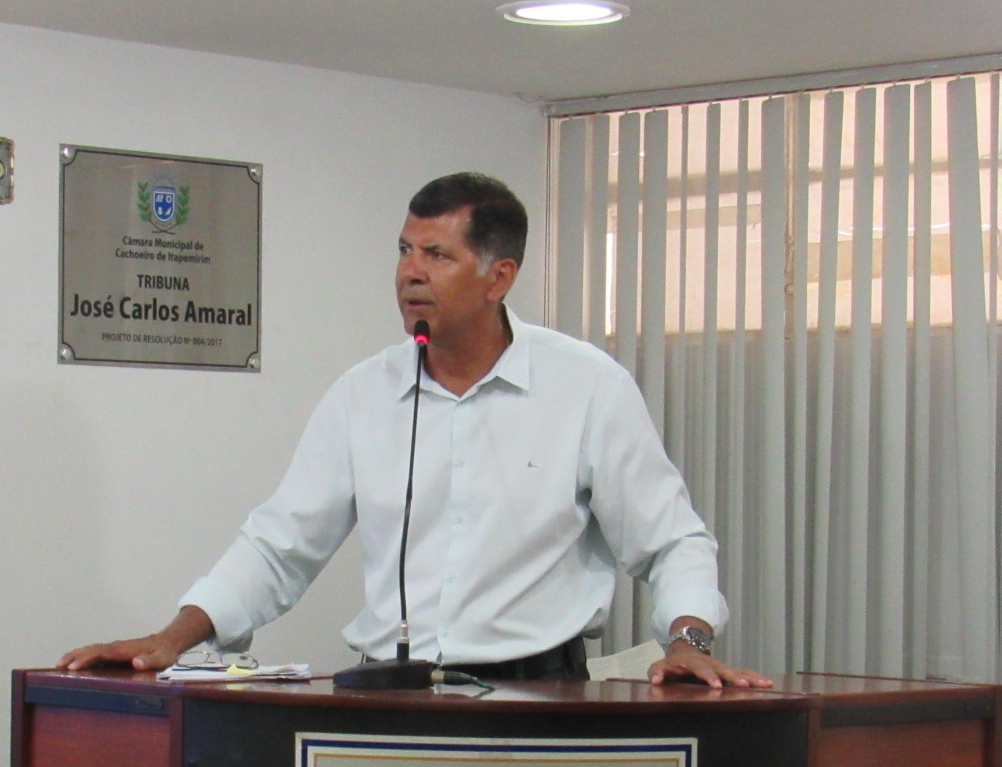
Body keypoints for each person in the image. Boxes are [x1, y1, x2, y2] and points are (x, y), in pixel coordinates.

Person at [60, 172, 766, 688]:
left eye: (436, 255)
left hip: (541, 693)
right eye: (404, 251)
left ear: (498, 278)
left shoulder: (586, 387)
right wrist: (171, 640)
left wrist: (688, 640)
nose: (409, 274)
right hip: (392, 693)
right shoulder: (363, 394)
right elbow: (278, 547)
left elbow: (672, 541)